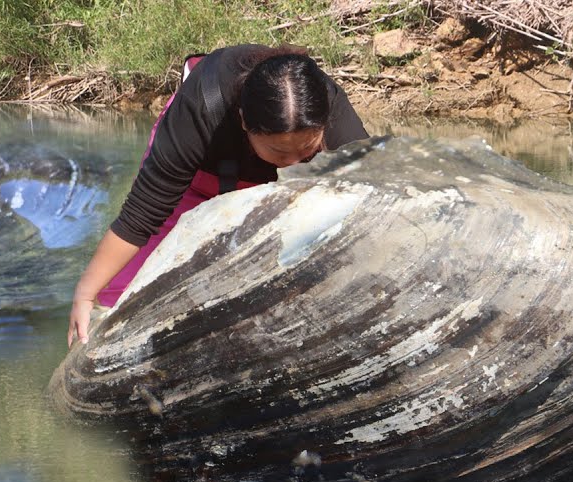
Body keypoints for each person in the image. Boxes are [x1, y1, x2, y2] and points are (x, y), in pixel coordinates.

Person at [67, 44, 368, 346]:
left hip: (258, 184)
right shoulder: (199, 107)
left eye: (306, 150)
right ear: (244, 122)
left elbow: (372, 190)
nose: (292, 162)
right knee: (121, 294)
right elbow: (141, 216)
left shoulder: (326, 105)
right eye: (279, 150)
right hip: (198, 177)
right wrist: (85, 292)